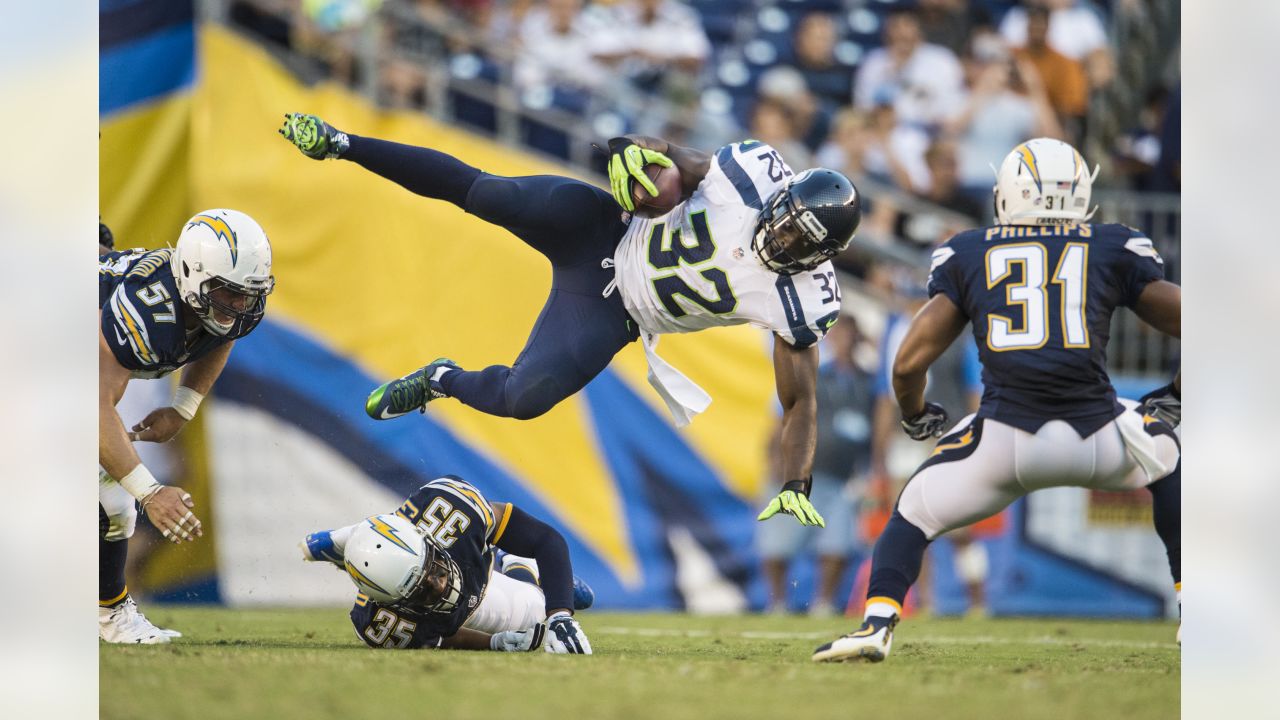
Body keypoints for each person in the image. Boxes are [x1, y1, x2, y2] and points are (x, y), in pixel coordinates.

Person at [278, 112, 862, 526]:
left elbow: (801, 400)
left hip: (616, 310)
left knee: (521, 398)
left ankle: (439, 380)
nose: (783, 238)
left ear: (823, 258)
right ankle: (343, 143)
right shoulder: (750, 175)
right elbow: (664, 157)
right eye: (787, 221)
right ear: (782, 196)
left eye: (800, 242)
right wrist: (627, 149)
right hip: (604, 226)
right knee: (485, 193)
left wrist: (795, 483)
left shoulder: (806, 300)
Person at [813, 138, 1181, 662]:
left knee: (913, 511)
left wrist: (917, 415)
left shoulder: (969, 250)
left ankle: (876, 624)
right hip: (1099, 437)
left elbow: (907, 363)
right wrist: (1176, 395)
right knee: (1168, 459)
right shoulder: (1113, 245)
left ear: (1008, 192)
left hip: (1004, 443)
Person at [99, 209, 276, 643]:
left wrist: (183, 406)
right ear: (193, 276)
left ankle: (105, 613)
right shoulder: (145, 313)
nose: (239, 305)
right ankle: (107, 615)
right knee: (113, 497)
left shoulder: (222, 303)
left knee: (109, 497)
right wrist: (152, 492)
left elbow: (221, 336)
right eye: (228, 293)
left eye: (247, 294)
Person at [302, 475, 594, 652]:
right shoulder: (378, 623)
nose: (440, 586)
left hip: (463, 555)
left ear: (428, 542)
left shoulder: (453, 514)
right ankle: (347, 544)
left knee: (535, 607)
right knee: (527, 624)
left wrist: (559, 615)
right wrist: (496, 643)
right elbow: (438, 638)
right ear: (396, 603)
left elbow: (546, 540)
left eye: (434, 571)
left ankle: (514, 558)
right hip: (451, 577)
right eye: (423, 591)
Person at [758, 316, 875, 616]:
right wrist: (775, 461)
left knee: (837, 542)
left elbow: (875, 427)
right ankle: (778, 602)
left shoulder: (866, 381)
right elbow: (779, 416)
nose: (843, 340)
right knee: (779, 543)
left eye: (849, 334)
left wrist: (870, 471)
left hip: (841, 475)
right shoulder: (806, 372)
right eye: (838, 334)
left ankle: (823, 603)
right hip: (800, 473)